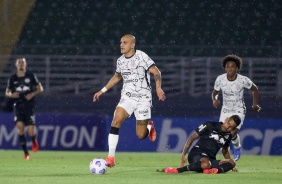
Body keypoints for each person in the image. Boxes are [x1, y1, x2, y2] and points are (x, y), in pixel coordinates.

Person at [93, 34, 166, 167]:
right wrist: (102, 90)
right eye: (121, 42)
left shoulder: (142, 56)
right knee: (116, 121)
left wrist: (158, 89)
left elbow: (156, 72)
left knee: (140, 135)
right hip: (127, 96)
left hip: (143, 98)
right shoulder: (120, 60)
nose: (121, 45)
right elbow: (116, 77)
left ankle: (149, 126)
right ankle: (111, 157)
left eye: (125, 42)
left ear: (132, 45)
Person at [211, 54, 261, 161]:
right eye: (227, 66)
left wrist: (255, 104)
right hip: (225, 110)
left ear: (237, 68)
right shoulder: (220, 79)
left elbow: (255, 89)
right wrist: (215, 99)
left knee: (232, 132)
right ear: (225, 68)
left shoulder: (243, 80)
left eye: (232, 66)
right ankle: (229, 160)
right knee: (224, 133)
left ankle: (237, 147)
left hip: (238, 110)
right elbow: (215, 92)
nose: (230, 68)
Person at [164, 115, 241, 174]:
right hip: (197, 153)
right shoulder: (209, 125)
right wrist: (183, 154)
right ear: (226, 119)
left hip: (210, 159)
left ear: (233, 129)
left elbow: (225, 151)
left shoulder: (228, 136)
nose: (228, 127)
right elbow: (192, 138)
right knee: (206, 163)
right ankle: (178, 170)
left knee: (232, 162)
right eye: (228, 123)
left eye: (231, 127)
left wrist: (230, 165)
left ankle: (210, 171)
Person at [5, 57, 44, 160]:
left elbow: (40, 88)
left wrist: (32, 94)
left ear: (26, 64)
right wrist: (11, 95)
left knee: (31, 131)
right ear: (16, 64)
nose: (21, 64)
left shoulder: (31, 76)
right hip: (17, 105)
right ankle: (26, 153)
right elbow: (7, 92)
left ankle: (34, 139)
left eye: (23, 62)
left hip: (29, 106)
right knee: (20, 127)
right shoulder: (12, 78)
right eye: (19, 62)